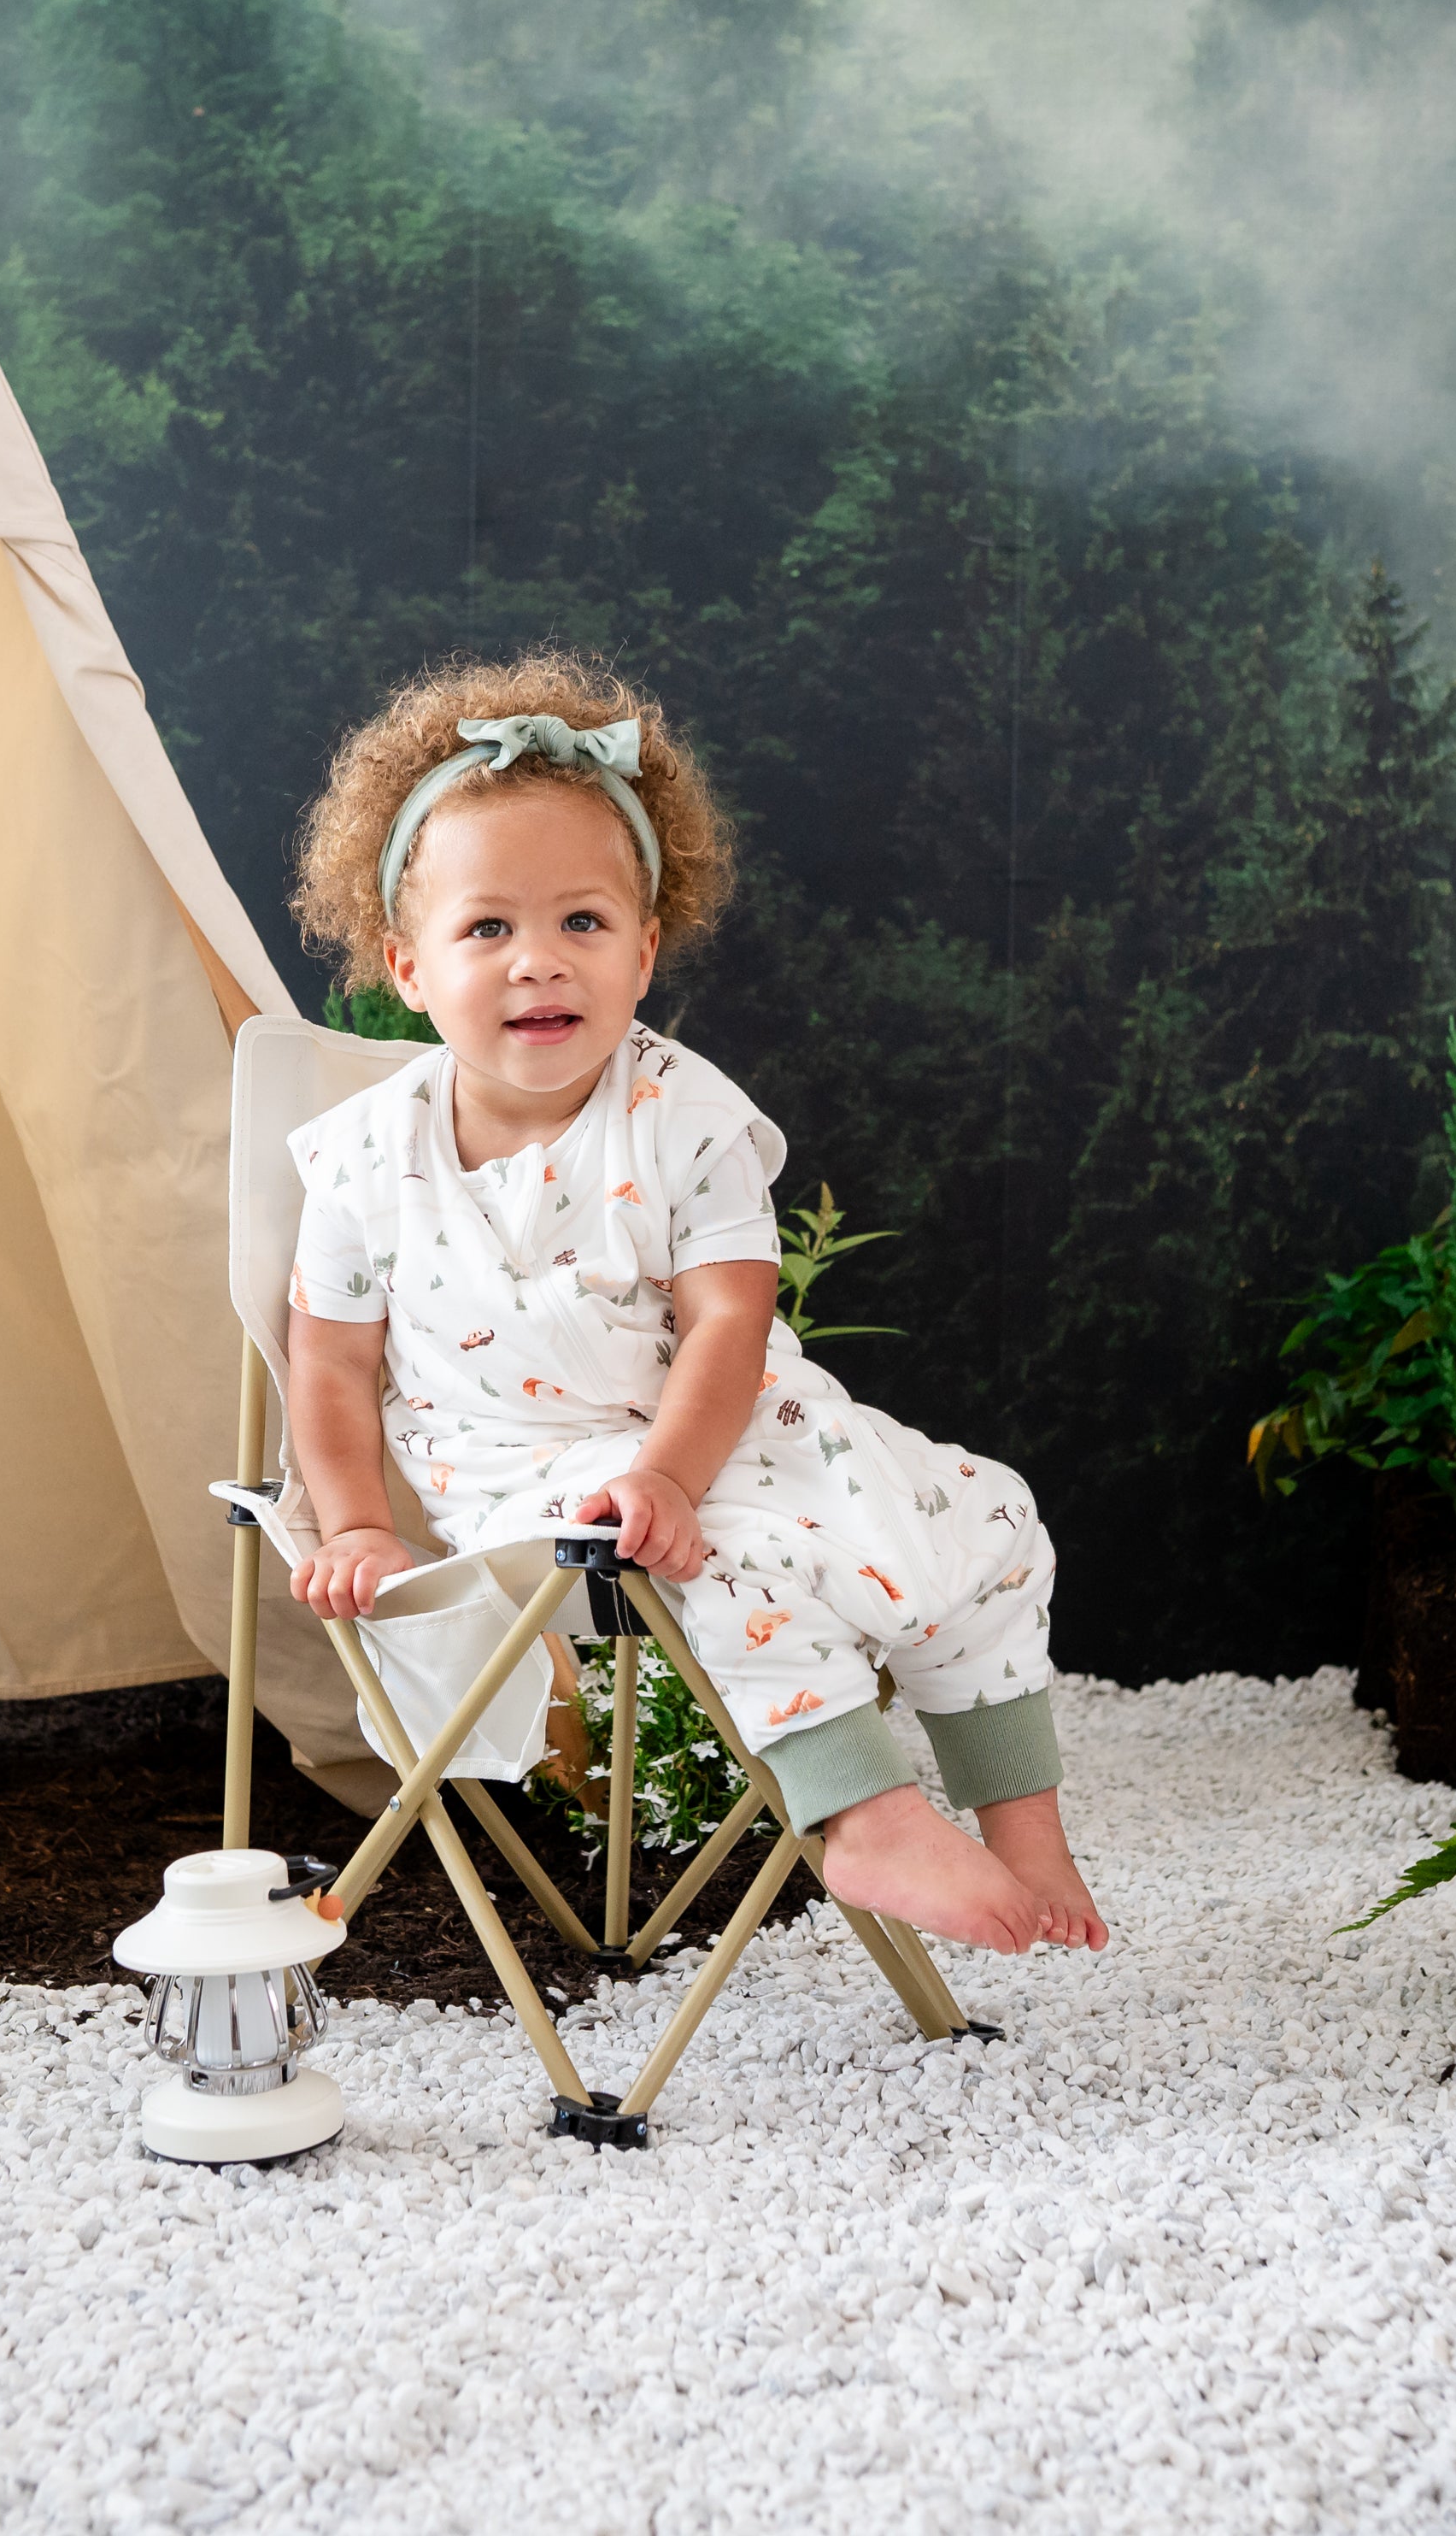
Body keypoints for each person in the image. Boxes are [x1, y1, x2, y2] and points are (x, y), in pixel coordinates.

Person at [281, 650, 1107, 1956]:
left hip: (721, 1429)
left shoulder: (685, 1114)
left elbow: (732, 1319)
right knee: (736, 1557)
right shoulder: (363, 1160)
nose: (538, 963)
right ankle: (862, 1816)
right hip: (527, 1485)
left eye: (583, 923)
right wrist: (360, 1525)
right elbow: (329, 1366)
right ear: (406, 965)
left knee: (991, 1512)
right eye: (487, 929)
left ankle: (1024, 1819)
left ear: (646, 950)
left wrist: (670, 1470)